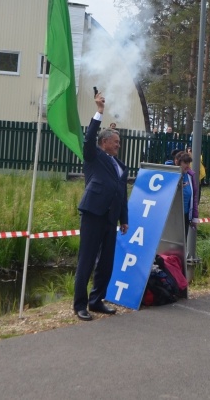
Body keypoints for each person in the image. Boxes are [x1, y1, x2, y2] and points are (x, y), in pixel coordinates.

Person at [73, 92, 129, 321]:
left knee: (106, 262)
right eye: (115, 141)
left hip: (111, 218)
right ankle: (80, 305)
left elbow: (122, 192)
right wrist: (99, 111)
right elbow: (88, 138)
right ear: (104, 142)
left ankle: (97, 300)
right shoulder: (93, 156)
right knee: (86, 260)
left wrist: (124, 218)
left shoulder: (120, 165)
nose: (118, 144)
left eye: (118, 142)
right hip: (93, 214)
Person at [176, 151, 200, 239]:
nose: (188, 165)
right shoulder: (171, 174)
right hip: (172, 216)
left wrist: (194, 217)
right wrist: (177, 188)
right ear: (177, 162)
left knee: (182, 242)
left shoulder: (190, 176)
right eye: (185, 163)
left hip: (185, 215)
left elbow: (194, 198)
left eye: (189, 163)